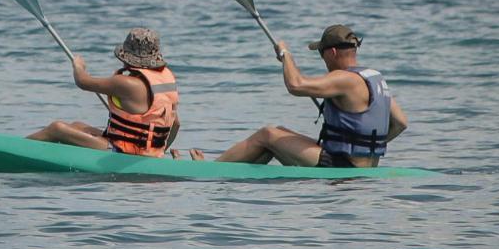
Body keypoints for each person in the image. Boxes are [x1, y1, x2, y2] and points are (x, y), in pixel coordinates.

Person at [188, 24, 408, 168]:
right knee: (279, 134)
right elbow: (400, 123)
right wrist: (366, 147)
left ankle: (208, 169)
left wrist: (286, 55)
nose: (322, 59)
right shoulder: (375, 78)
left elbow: (295, 85)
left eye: (321, 53)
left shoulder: (344, 78)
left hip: (341, 166)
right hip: (367, 165)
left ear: (331, 52)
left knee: (267, 134)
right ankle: (234, 170)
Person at [27, 27, 180, 157]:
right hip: (146, 152)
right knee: (78, 126)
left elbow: (83, 81)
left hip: (123, 153)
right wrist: (159, 152)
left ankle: (14, 150)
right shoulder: (165, 82)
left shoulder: (126, 83)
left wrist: (78, 65)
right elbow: (176, 124)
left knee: (57, 129)